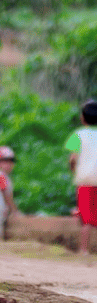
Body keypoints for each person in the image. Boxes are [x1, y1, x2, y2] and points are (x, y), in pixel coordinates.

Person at [65, 99, 97, 255]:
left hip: (85, 180)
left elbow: (73, 159)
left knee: (86, 218)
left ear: (82, 118)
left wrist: (74, 170)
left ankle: (83, 249)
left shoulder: (78, 135)